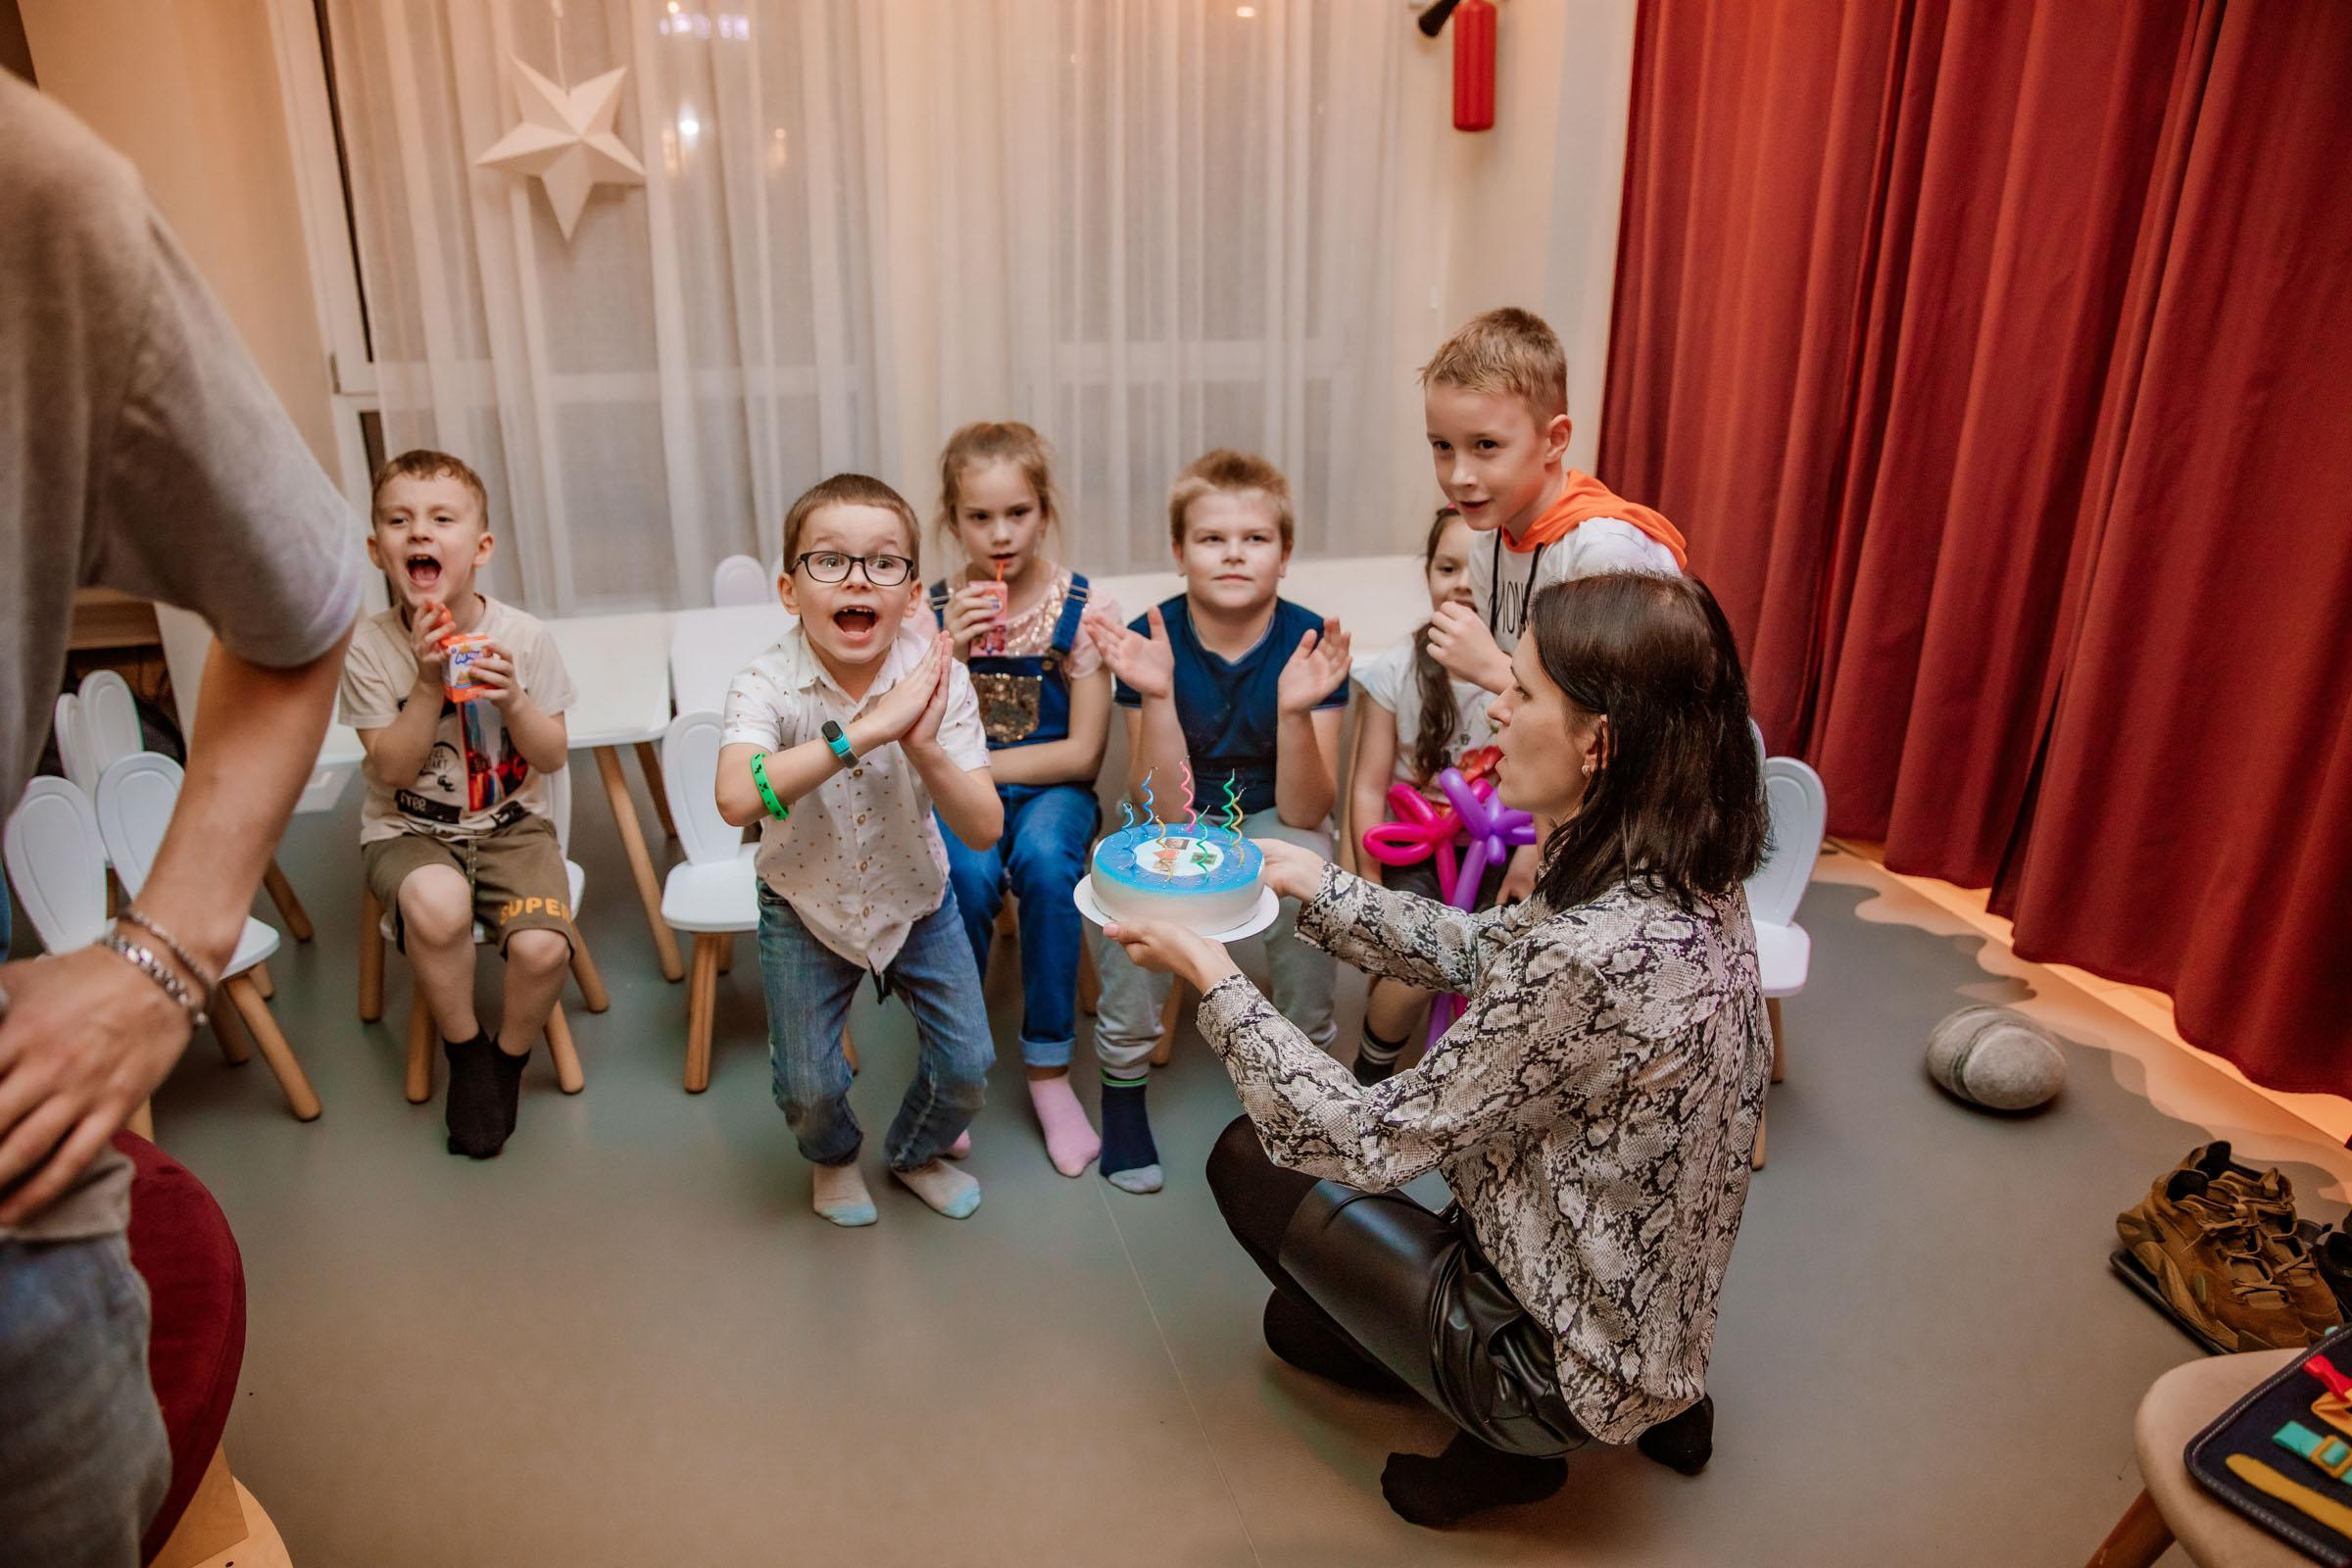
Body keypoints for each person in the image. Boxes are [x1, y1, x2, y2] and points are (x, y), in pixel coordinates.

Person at [1102, 571, 1770, 1529]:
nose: (1496, 700)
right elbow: (1488, 949)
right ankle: (1656, 1399)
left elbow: (1360, 1139)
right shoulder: (1685, 872)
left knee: (1252, 1177)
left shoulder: (1589, 955)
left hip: (1551, 1360)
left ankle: (1518, 1440)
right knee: (1307, 1320)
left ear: (1599, 742)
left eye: (1525, 689)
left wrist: (1213, 977)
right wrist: (1314, 883)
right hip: (1650, 1319)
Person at [0, 76, 362, 1564]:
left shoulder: (35, 199)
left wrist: (162, 955)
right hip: (430, 850)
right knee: (436, 906)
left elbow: (295, 613)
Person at [716, 473, 1002, 1226]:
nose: (857, 580)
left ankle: (913, 1152)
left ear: (912, 595)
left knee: (969, 1067)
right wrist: (868, 730)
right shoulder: (765, 683)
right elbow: (736, 797)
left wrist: (925, 745)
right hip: (804, 905)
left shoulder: (942, 679)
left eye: (883, 563)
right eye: (829, 561)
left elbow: (982, 829)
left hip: (918, 898)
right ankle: (834, 1158)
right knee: (807, 1088)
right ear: (789, 589)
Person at [1083, 450, 1351, 1196]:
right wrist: (1158, 696)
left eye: (1255, 538)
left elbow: (1304, 812)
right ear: (1179, 552)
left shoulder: (1308, 644)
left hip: (1271, 812)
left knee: (1307, 877)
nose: (1234, 552)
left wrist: (1297, 709)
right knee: (1140, 891)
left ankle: (1304, 1081)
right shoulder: (1151, 637)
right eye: (1211, 538)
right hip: (1179, 815)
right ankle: (1123, 1085)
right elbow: (1163, 812)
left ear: (1285, 554)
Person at [339, 449, 579, 1158]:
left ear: (479, 549)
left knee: (540, 948)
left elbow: (553, 755)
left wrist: (513, 699)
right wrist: (427, 681)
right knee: (439, 907)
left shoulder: (524, 638)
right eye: (399, 519)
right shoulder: (368, 650)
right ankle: (466, 1053)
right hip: (408, 830)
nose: (420, 533)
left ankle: (506, 1059)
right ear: (376, 547)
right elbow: (389, 768)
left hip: (512, 827)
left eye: (441, 519)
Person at [1418, 307, 1690, 904]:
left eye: (1486, 445)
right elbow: (1538, 733)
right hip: (1565, 813)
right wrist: (1536, 846)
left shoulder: (1606, 550)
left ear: (1555, 440)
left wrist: (1488, 666)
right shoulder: (1491, 541)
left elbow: (1620, 730)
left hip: (1641, 831)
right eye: (1443, 446)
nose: (1459, 475)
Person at [925, 422, 1119, 1177]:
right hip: (960, 788)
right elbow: (918, 740)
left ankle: (1047, 1070)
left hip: (1053, 794)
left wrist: (984, 763)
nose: (1000, 533)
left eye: (1018, 513)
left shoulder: (1083, 606)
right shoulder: (932, 609)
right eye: (979, 517)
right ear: (952, 521)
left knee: (1044, 864)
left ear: (1045, 511)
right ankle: (955, 1066)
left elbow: (1083, 753)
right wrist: (950, 649)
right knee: (966, 877)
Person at [1344, 505, 1501, 1085]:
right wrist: (1367, 875)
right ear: (1428, 575)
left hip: (1500, 856)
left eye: (1479, 567)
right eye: (1446, 566)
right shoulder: (1394, 671)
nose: (1461, 582)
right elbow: (1367, 783)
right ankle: (1370, 1077)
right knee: (1417, 965)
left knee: (1504, 962)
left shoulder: (1522, 671)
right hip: (1414, 852)